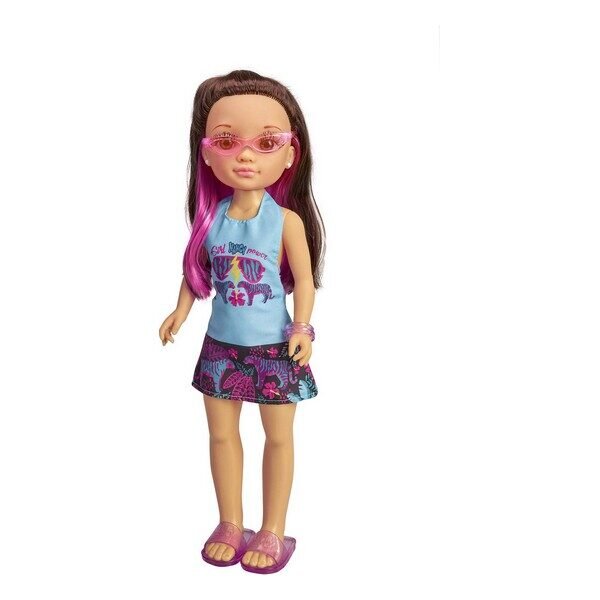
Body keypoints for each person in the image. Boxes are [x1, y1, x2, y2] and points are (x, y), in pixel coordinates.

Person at [158, 70, 325, 574]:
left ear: (290, 153)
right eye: (228, 141)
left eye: (266, 143)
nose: (246, 156)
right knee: (221, 436)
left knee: (278, 437)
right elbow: (196, 271)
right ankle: (230, 522)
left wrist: (303, 329)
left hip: (274, 347)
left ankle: (272, 528)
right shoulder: (211, 220)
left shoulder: (285, 222)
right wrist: (181, 310)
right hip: (221, 346)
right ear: (207, 154)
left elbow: (305, 280)